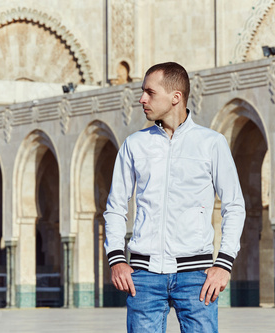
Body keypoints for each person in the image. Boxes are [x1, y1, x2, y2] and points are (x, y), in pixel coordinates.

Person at [104, 62, 245, 333]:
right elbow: (115, 206)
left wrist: (224, 264)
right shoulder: (135, 144)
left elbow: (234, 206)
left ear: (175, 97)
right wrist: (117, 259)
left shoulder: (211, 143)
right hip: (143, 278)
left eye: (150, 92)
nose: (142, 99)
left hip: (197, 278)